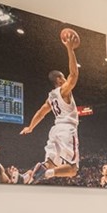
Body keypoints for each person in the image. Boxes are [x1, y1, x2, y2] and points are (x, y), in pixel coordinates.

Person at [20, 29, 81, 183]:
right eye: (63, 77)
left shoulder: (50, 97)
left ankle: (29, 175)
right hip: (67, 129)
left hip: (54, 130)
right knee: (72, 169)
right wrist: (70, 49)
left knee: (50, 163)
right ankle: (45, 174)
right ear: (59, 80)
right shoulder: (63, 90)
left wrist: (30, 127)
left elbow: (41, 113)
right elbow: (74, 74)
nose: (65, 79)